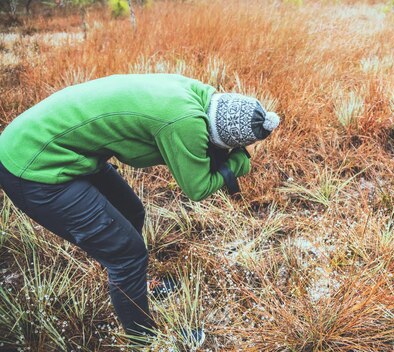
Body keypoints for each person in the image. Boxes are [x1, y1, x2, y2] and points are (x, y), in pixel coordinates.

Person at [0, 74, 280, 345]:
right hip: (35, 167)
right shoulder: (184, 122)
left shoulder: (198, 94)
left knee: (132, 212)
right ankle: (144, 340)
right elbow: (197, 188)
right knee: (128, 257)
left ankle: (135, 287)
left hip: (53, 145)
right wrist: (237, 164)